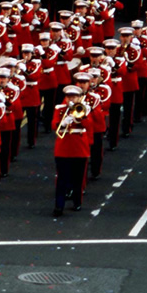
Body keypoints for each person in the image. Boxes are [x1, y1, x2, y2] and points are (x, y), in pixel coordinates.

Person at [50, 84, 90, 216]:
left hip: (79, 147)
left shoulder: (85, 108)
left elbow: (89, 125)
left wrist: (79, 117)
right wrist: (63, 122)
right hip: (63, 147)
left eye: (74, 97)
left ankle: (77, 201)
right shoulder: (60, 109)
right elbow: (54, 125)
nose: (71, 99)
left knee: (78, 178)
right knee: (62, 178)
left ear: (79, 98)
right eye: (69, 97)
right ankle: (59, 206)